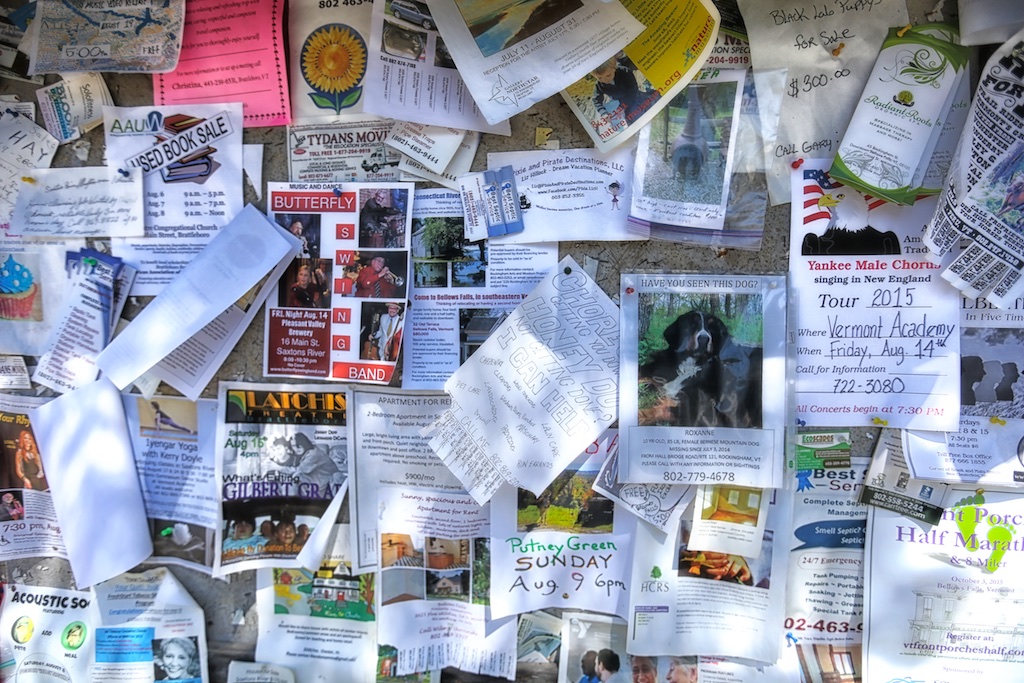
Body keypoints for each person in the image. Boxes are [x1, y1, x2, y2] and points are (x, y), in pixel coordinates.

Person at [591, 55, 648, 125]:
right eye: (600, 78)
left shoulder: (625, 72)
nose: (605, 80)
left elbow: (632, 91)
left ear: (614, 67)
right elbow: (596, 100)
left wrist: (622, 107)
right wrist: (604, 113)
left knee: (636, 116)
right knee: (614, 121)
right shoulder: (599, 85)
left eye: (608, 75)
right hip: (618, 101)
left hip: (633, 97)